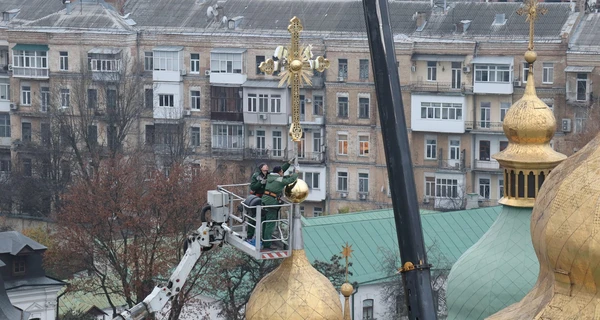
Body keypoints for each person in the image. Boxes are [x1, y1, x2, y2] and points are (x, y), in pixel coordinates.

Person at [259, 165, 298, 249]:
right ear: (280, 172)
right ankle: (267, 245)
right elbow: (289, 180)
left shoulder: (270, 176)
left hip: (265, 200)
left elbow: (283, 177)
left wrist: (288, 168)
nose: (283, 173)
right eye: (282, 172)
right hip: (272, 203)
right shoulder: (279, 180)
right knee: (270, 223)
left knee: (265, 222)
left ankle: (264, 240)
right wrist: (296, 174)